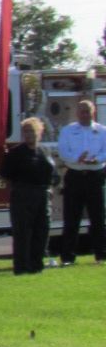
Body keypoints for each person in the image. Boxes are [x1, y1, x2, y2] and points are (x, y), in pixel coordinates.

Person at [0, 117, 55, 274]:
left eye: (31, 131)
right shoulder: (15, 153)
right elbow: (4, 175)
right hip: (22, 195)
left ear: (39, 132)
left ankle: (37, 265)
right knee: (22, 232)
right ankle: (22, 267)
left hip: (42, 194)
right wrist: (17, 190)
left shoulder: (45, 151)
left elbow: (51, 173)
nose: (29, 134)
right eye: (26, 131)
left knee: (41, 230)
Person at [56, 98, 106, 265]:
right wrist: (77, 159)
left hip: (95, 176)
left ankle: (101, 256)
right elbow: (63, 152)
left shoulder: (102, 131)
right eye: (82, 111)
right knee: (71, 219)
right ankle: (68, 257)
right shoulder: (68, 131)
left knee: (98, 219)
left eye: (87, 111)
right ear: (77, 113)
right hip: (75, 177)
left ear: (93, 112)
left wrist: (97, 159)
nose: (85, 114)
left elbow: (105, 152)